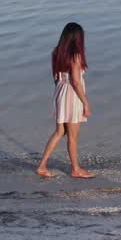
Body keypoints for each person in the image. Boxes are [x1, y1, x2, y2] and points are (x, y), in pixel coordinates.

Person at [36, 22, 96, 178]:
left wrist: (60, 93)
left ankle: (42, 166)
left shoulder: (56, 52)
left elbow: (55, 77)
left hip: (60, 91)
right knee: (73, 136)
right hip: (71, 94)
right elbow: (76, 82)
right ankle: (76, 169)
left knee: (60, 131)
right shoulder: (75, 55)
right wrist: (86, 103)